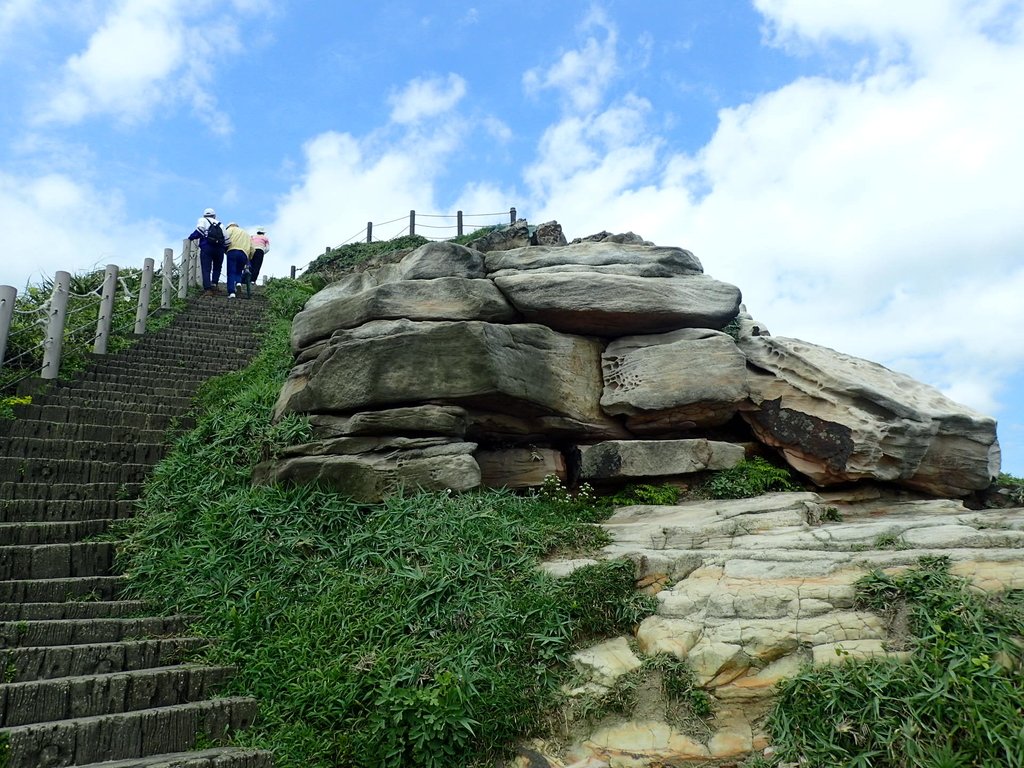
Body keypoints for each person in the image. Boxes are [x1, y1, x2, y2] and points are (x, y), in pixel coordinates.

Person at [187, 208, 226, 295]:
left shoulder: (202, 220)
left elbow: (199, 231)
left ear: (204, 215)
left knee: (206, 268)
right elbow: (227, 240)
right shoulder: (221, 225)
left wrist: (190, 238)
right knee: (217, 267)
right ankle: (214, 284)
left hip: (207, 247)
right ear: (214, 216)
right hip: (219, 248)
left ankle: (208, 289)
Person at [223, 222, 254, 298]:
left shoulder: (230, 230)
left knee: (231, 272)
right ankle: (238, 282)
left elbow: (225, 239)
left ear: (229, 226)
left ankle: (232, 292)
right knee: (239, 271)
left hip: (232, 251)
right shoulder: (246, 234)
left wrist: (224, 250)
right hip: (244, 254)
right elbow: (253, 248)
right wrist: (249, 258)